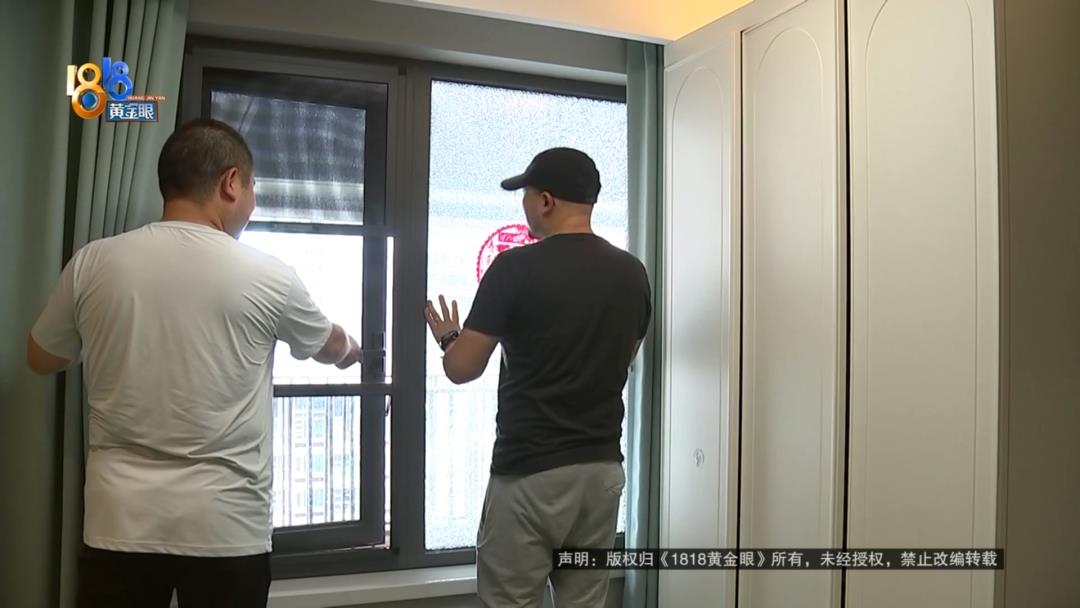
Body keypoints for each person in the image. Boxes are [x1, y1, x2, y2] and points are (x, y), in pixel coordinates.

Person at [26, 118, 361, 608]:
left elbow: (41, 356)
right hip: (225, 529)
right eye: (253, 188)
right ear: (231, 183)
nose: (252, 203)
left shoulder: (93, 263)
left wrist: (103, 337)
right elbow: (329, 345)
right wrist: (351, 347)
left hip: (118, 523)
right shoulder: (269, 276)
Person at [424, 148, 652, 607]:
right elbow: (625, 358)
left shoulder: (514, 268)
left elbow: (462, 368)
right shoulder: (633, 274)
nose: (524, 205)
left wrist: (449, 337)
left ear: (546, 201)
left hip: (530, 474)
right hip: (601, 473)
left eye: (526, 195)